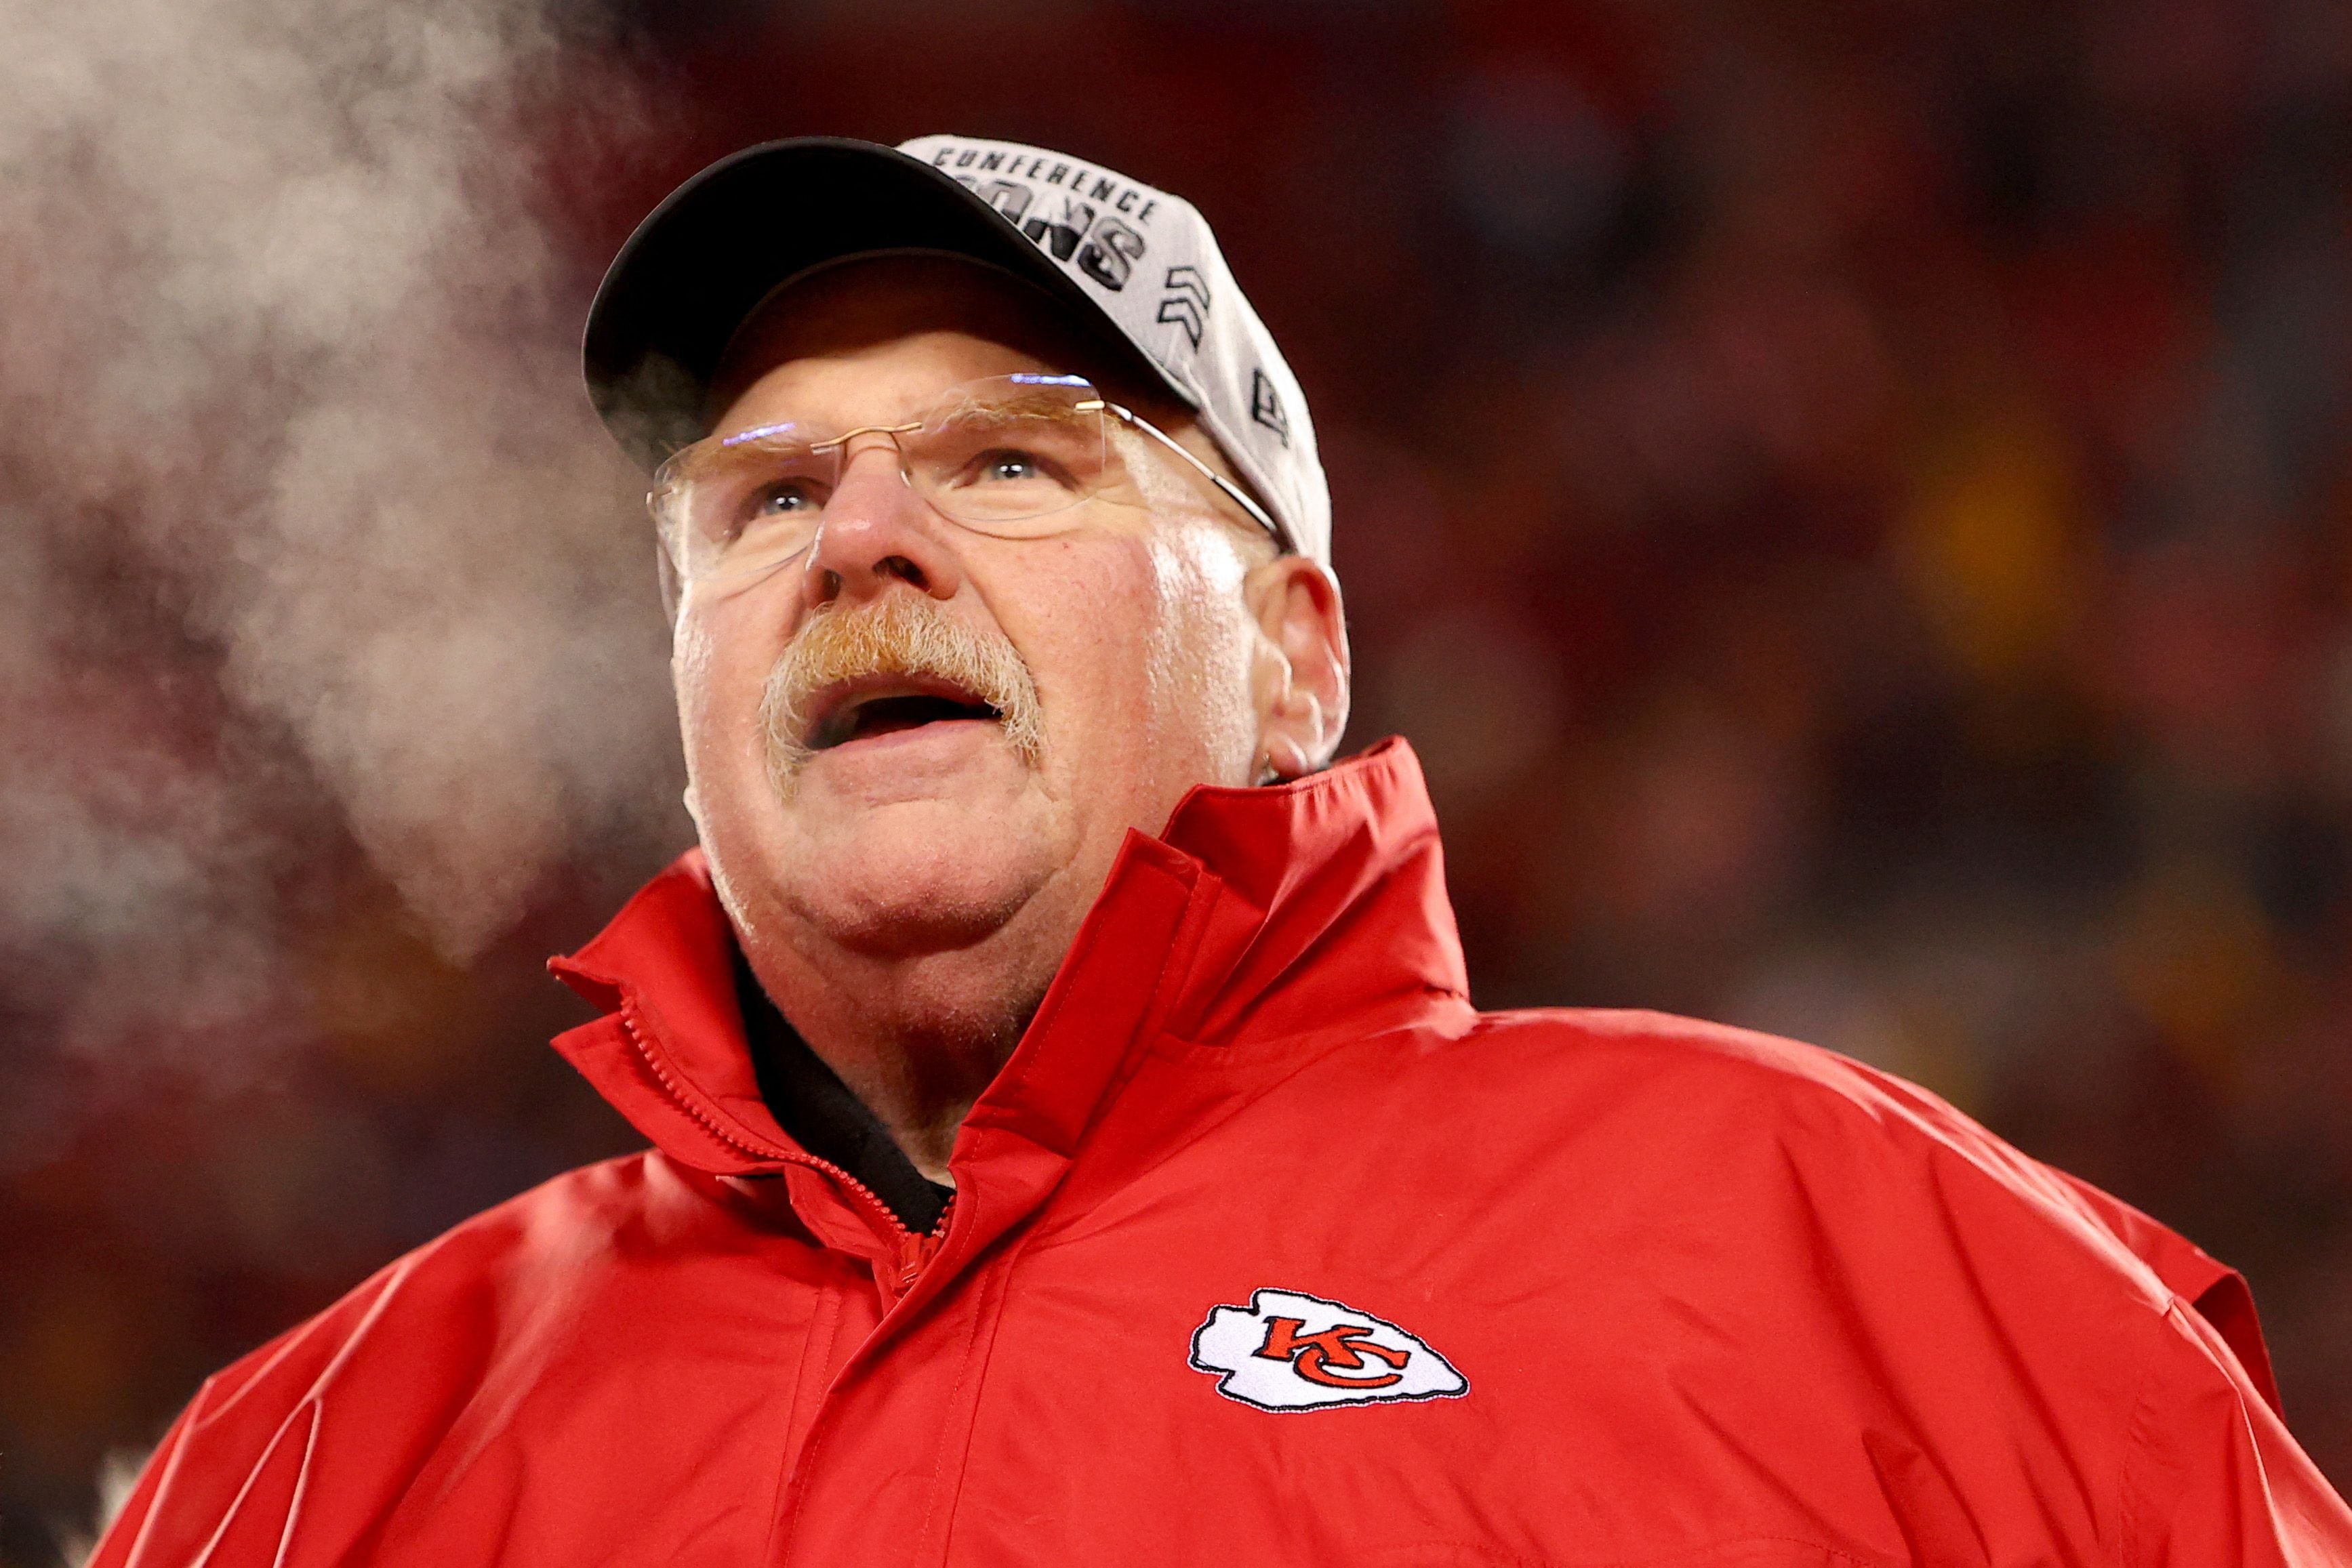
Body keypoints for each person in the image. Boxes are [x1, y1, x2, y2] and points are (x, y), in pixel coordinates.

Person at [93, 134, 2352, 1567]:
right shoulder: (307, 1456)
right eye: (764, 499)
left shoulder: (1864, 1267)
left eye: (1010, 465)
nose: (859, 533)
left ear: (1290, 658)